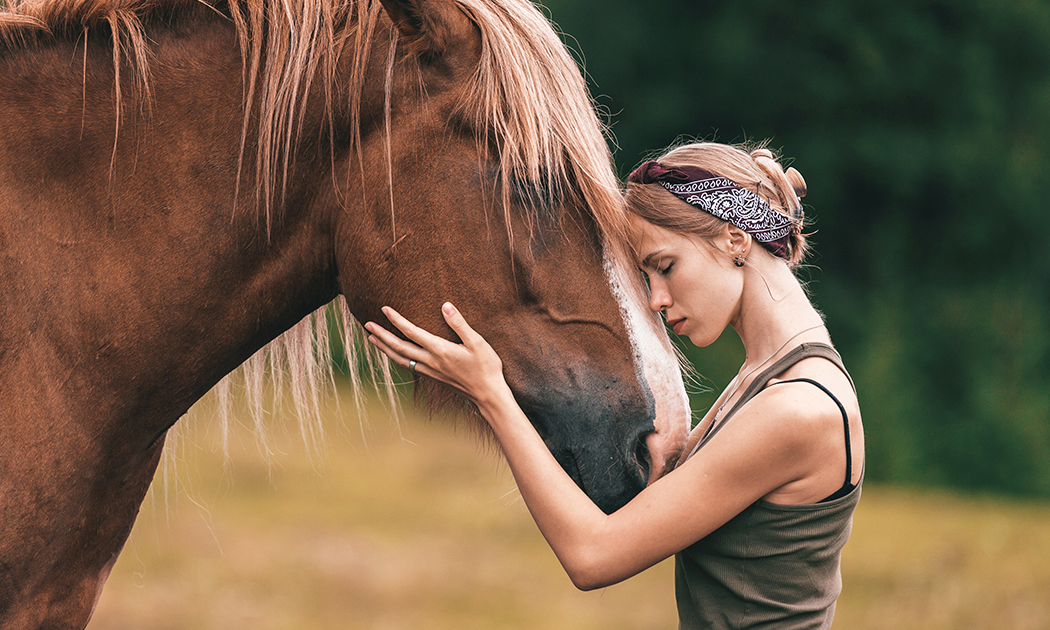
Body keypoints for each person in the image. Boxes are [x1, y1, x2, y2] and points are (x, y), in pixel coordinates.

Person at [364, 141, 863, 629]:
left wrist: (491, 393)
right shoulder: (770, 379)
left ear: (735, 239)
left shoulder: (795, 411)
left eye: (664, 267)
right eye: (648, 277)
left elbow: (593, 555)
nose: (656, 299)